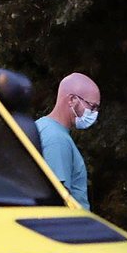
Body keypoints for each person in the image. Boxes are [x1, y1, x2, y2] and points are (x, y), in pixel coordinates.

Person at [35, 73, 100, 210]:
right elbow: (57, 200)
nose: (94, 113)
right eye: (92, 106)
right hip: (70, 222)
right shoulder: (57, 139)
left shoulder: (42, 126)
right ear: (72, 100)